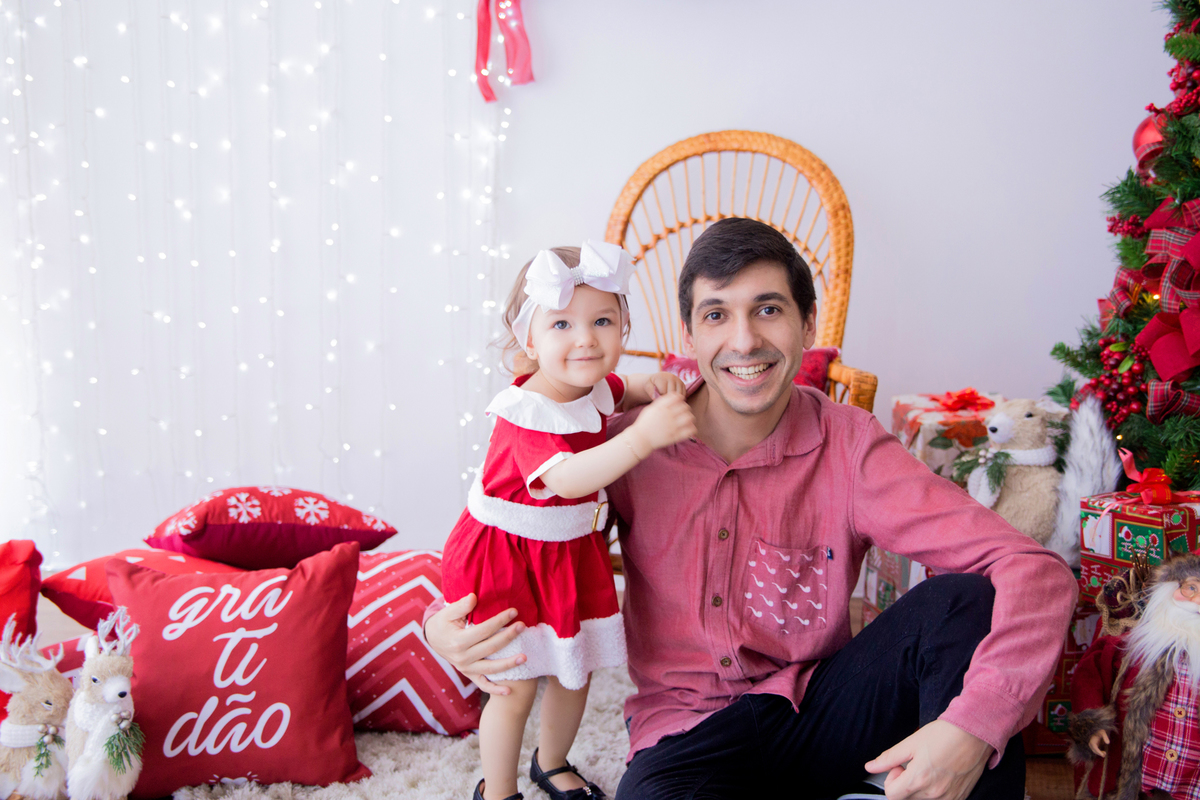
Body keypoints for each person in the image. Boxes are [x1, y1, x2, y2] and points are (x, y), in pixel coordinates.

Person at [427, 218, 1078, 800]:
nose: (744, 340)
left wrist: (972, 728)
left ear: (807, 324)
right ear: (687, 334)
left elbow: (1030, 567)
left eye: (768, 310)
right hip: (685, 740)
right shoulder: (629, 439)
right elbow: (503, 521)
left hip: (820, 712)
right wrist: (440, 624)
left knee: (963, 601)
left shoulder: (848, 446)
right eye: (717, 315)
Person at [441, 241, 697, 800]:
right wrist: (643, 436)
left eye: (603, 320)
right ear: (528, 341)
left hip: (568, 550)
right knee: (514, 686)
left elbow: (619, 388)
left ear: (623, 328)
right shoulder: (529, 411)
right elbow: (570, 478)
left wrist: (653, 385)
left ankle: (551, 761)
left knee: (573, 670)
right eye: (561, 324)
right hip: (505, 556)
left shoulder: (590, 385)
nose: (586, 339)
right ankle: (498, 787)